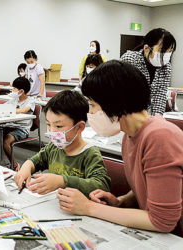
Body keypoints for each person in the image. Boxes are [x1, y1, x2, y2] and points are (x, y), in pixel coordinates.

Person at [57, 60, 183, 237]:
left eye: (92, 105)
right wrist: (121, 201)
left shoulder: (160, 137)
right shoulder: (129, 134)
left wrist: (88, 207)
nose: (90, 113)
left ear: (115, 103)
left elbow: (163, 221)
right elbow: (151, 186)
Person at [14, 90, 110, 196]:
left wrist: (63, 181)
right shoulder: (53, 148)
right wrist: (26, 167)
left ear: (79, 127)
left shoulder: (90, 154)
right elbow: (35, 161)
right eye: (48, 124)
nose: (52, 131)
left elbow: (102, 186)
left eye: (58, 126)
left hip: (79, 209)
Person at [121, 28, 176, 116]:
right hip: (127, 113)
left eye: (169, 51)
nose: (166, 54)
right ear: (146, 48)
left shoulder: (166, 67)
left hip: (147, 115)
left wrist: (157, 119)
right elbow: (124, 93)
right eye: (162, 50)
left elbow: (160, 97)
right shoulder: (130, 59)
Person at [3, 77, 35, 170]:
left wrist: (10, 110)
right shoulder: (14, 99)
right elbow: (3, 107)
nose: (12, 90)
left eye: (14, 88)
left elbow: (24, 110)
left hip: (22, 129)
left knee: (6, 141)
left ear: (21, 91)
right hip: (10, 126)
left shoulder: (30, 100)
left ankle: (14, 165)